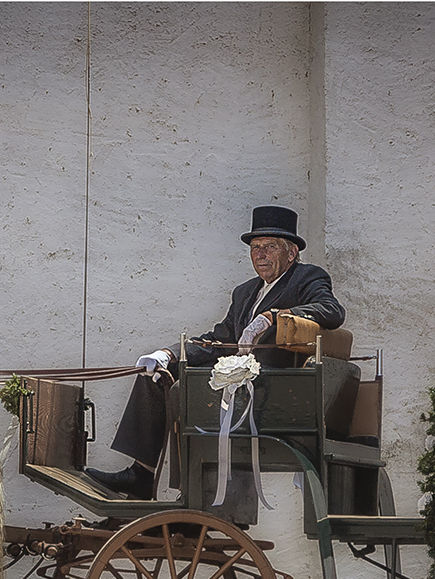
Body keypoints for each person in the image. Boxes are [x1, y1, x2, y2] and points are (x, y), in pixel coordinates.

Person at [85, 205, 345, 499]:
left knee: (185, 392)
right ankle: (141, 474)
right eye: (255, 247)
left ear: (291, 252)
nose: (260, 254)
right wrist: (168, 354)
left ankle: (191, 494)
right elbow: (220, 339)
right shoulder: (245, 291)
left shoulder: (307, 278)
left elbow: (332, 311)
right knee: (157, 377)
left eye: (270, 247)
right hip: (234, 377)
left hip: (272, 388)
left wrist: (275, 316)